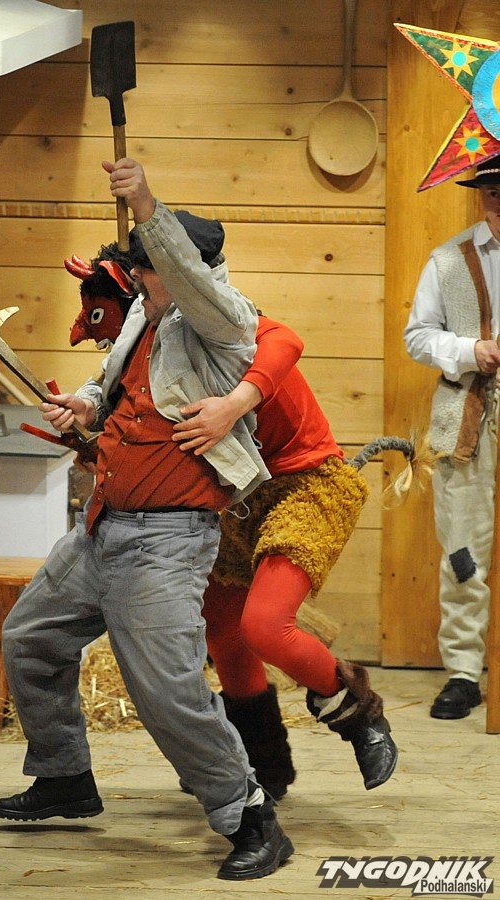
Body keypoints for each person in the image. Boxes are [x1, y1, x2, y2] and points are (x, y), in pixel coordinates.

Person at [0, 157, 294, 882]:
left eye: (149, 266)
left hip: (167, 540)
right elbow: (114, 383)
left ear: (188, 270)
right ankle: (64, 777)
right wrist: (85, 404)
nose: (138, 277)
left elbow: (191, 280)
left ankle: (249, 815)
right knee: (30, 638)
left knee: (167, 692)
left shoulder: (223, 319)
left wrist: (148, 205)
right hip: (103, 526)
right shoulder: (143, 314)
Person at [63, 249, 402, 801]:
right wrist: (89, 434)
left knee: (265, 625)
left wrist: (236, 402)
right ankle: (263, 765)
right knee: (222, 629)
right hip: (232, 496)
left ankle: (359, 714)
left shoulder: (219, 324)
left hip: (303, 483)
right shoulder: (141, 350)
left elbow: (284, 339)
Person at [404, 155, 500, 720]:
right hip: (466, 417)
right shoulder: (447, 260)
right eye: (492, 190)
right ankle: (464, 673)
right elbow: (418, 336)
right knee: (462, 549)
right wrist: (469, 351)